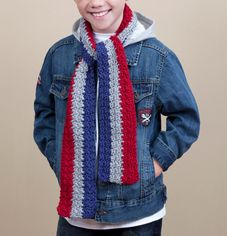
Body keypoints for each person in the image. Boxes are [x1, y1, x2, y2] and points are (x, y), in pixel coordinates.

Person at [33, 0, 200, 235]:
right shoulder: (59, 55)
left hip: (138, 216)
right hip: (77, 217)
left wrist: (153, 165)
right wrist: (61, 160)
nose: (96, 2)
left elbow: (186, 119)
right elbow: (45, 117)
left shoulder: (156, 56)